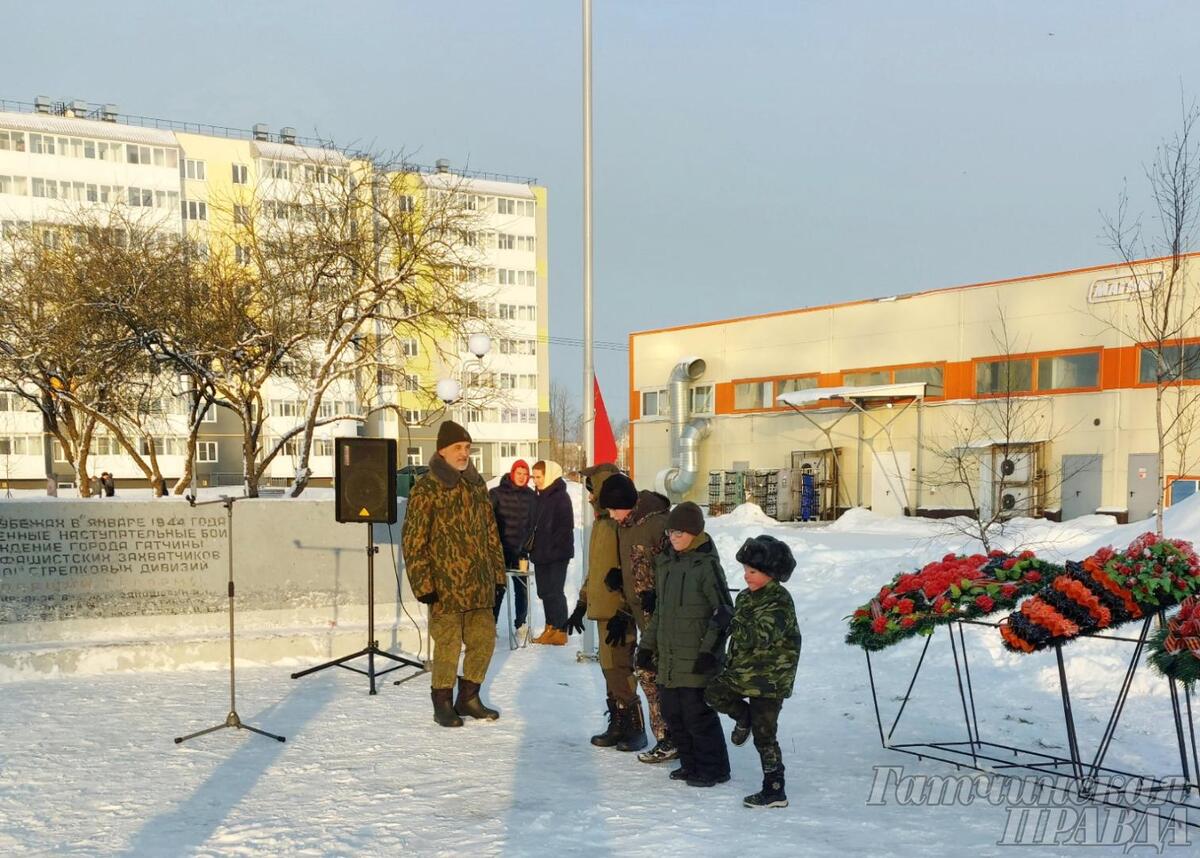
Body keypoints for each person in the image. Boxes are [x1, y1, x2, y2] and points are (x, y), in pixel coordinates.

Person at [403, 420, 507, 728]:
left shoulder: (477, 486)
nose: (464, 454)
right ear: (441, 451)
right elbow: (414, 540)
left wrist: (498, 576)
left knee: (484, 641)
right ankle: (443, 702)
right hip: (445, 586)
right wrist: (423, 584)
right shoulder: (427, 488)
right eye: (457, 448)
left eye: (467, 448)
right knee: (447, 647)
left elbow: (491, 534)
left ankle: (469, 697)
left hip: (479, 584)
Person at [636, 502, 733, 787]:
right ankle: (690, 765)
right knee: (673, 714)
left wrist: (709, 652)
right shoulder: (667, 563)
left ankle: (714, 769)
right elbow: (661, 613)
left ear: (694, 532)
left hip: (695, 657)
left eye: (679, 532)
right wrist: (646, 647)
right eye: (670, 532)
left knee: (697, 715)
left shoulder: (707, 566)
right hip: (669, 656)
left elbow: (724, 612)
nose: (673, 537)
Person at [705, 534, 801, 809]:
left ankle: (774, 788)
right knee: (713, 693)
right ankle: (743, 717)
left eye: (753, 571)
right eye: (745, 570)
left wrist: (731, 621)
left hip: (770, 679)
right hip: (744, 672)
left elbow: (759, 635)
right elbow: (738, 635)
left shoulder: (780, 601)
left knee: (765, 734)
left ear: (771, 574)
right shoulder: (746, 597)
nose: (746, 576)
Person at [564, 463, 641, 748]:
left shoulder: (621, 524)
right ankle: (618, 722)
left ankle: (634, 725)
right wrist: (582, 603)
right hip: (603, 609)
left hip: (618, 612)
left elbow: (631, 573)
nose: (588, 497)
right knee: (609, 668)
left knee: (619, 668)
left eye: (591, 490)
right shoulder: (602, 523)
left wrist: (623, 610)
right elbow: (596, 570)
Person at [599, 472, 671, 756]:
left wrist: (659, 590)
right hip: (643, 617)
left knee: (659, 677)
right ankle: (664, 736)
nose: (612, 516)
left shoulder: (657, 524)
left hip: (664, 618)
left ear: (627, 503)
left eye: (614, 509)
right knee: (649, 675)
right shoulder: (624, 526)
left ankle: (672, 736)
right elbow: (636, 569)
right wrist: (623, 593)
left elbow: (675, 561)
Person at [489, 459, 537, 641]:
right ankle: (490, 625)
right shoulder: (496, 494)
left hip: (521, 552)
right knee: (497, 589)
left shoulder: (532, 497)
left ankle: (521, 624)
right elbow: (488, 522)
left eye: (525, 474)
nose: (522, 477)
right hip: (499, 551)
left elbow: (533, 524)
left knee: (522, 588)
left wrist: (527, 545)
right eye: (519, 473)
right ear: (512, 473)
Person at [528, 460, 575, 644]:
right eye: (534, 477)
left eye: (538, 477)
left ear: (548, 476)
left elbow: (565, 527)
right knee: (544, 591)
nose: (535, 480)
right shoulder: (538, 496)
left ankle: (561, 629)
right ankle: (550, 626)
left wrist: (554, 547)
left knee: (555, 591)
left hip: (556, 554)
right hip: (540, 552)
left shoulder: (561, 497)